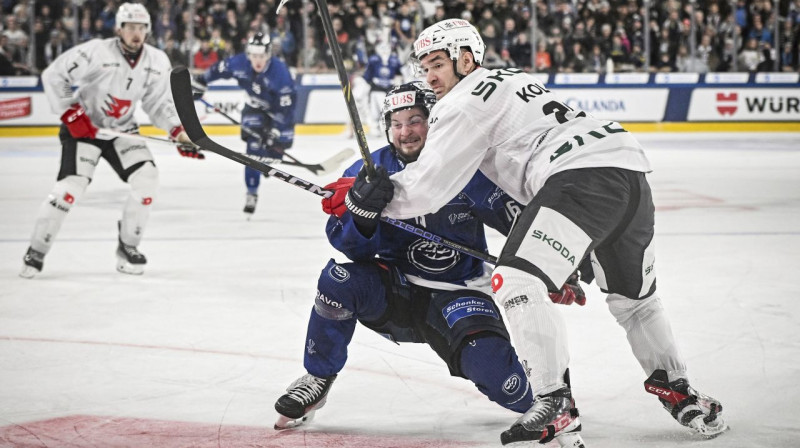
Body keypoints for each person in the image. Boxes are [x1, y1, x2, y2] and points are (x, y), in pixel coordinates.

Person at [343, 19, 728, 446]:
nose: (429, 76)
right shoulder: (510, 79)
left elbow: (428, 189)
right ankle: (680, 390)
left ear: (465, 59)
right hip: (626, 171)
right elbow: (515, 192)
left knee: (515, 279)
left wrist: (366, 200)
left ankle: (553, 401)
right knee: (635, 301)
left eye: (437, 63)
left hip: (579, 178)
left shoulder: (461, 101)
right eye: (424, 65)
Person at [273, 81, 577, 430]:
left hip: (458, 294)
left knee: (511, 389)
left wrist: (552, 266)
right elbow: (344, 243)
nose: (406, 132)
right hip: (394, 290)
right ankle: (318, 377)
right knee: (338, 281)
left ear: (434, 121)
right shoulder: (365, 173)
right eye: (397, 123)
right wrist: (362, 217)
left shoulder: (466, 166)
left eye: (416, 120)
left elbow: (516, 220)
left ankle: (548, 387)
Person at [20, 2, 201, 279]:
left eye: (141, 27)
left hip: (121, 131)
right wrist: (71, 112)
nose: (136, 33)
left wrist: (178, 132)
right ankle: (36, 250)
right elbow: (56, 75)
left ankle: (128, 246)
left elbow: (158, 104)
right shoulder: (96, 51)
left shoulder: (156, 61)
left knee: (147, 180)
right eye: (130, 27)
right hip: (85, 130)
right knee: (69, 190)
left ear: (148, 30)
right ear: (119, 28)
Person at [193, 32, 297, 216]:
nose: (258, 61)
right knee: (253, 149)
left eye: (262, 56)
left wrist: (274, 132)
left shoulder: (280, 73)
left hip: (277, 113)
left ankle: (268, 161)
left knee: (276, 151)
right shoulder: (240, 63)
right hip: (254, 108)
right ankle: (252, 192)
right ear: (249, 54)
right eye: (254, 56)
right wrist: (201, 82)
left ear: (268, 54)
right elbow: (219, 69)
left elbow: (287, 109)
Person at [361, 41, 402, 136]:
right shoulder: (373, 59)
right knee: (375, 110)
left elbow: (400, 73)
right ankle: (375, 127)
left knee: (388, 109)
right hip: (376, 89)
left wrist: (397, 82)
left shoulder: (394, 59)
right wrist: (372, 82)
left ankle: (388, 127)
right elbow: (367, 76)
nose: (384, 51)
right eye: (382, 48)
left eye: (386, 48)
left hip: (390, 89)